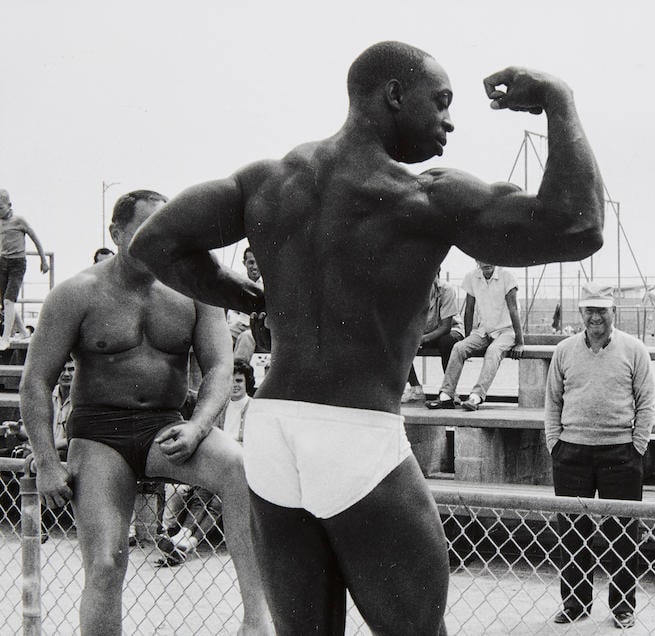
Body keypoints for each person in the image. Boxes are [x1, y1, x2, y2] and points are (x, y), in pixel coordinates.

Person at [129, 40, 604, 635]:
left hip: (274, 431)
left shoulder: (267, 182)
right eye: (441, 101)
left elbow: (153, 242)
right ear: (394, 94)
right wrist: (559, 98)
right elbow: (579, 225)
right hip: (356, 430)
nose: (450, 121)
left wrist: (248, 297)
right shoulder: (423, 196)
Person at [20, 190, 272, 635]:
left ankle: (256, 622)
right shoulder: (77, 294)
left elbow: (219, 366)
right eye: (144, 231)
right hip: (99, 435)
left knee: (238, 468)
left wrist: (198, 426)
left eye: (164, 230)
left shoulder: (193, 291)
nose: (157, 241)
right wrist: (45, 460)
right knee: (105, 563)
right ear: (116, 233)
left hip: (166, 426)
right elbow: (35, 381)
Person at [544, 281, 655, 629]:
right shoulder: (564, 350)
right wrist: (555, 443)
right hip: (571, 452)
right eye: (589, 310)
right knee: (572, 532)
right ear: (581, 312)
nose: (595, 317)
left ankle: (623, 606)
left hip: (620, 453)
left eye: (601, 310)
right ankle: (575, 603)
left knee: (622, 533)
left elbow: (646, 402)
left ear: (613, 312)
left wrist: (637, 446)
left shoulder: (634, 349)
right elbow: (552, 400)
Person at [158, 359, 256, 567]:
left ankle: (187, 541)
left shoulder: (253, 408)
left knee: (216, 502)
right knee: (202, 494)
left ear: (247, 382)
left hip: (243, 466)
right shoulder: (221, 407)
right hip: (218, 462)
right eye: (231, 380)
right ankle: (184, 537)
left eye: (239, 380)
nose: (235, 385)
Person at [426, 261, 523, 411]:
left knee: (493, 351)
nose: (486, 263)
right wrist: (468, 338)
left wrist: (520, 342)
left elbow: (514, 309)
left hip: (506, 331)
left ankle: (476, 397)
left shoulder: (507, 276)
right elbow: (469, 310)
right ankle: (446, 396)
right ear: (477, 260)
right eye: (482, 259)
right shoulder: (472, 277)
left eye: (490, 258)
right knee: (459, 347)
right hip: (484, 331)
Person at [401, 271, 464, 403]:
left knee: (446, 342)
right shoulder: (412, 291)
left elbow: (446, 327)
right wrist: (414, 337)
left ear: (437, 275)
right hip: (425, 332)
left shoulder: (446, 290)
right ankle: (415, 388)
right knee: (400, 343)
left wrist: (423, 339)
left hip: (450, 330)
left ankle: (450, 390)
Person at [0, 189, 50, 350]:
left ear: (9, 205)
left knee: (8, 300)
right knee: (5, 301)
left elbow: (36, 239)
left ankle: (5, 338)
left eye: (1, 208)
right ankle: (22, 331)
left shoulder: (19, 221)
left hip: (17, 263)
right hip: (2, 262)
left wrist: (43, 260)